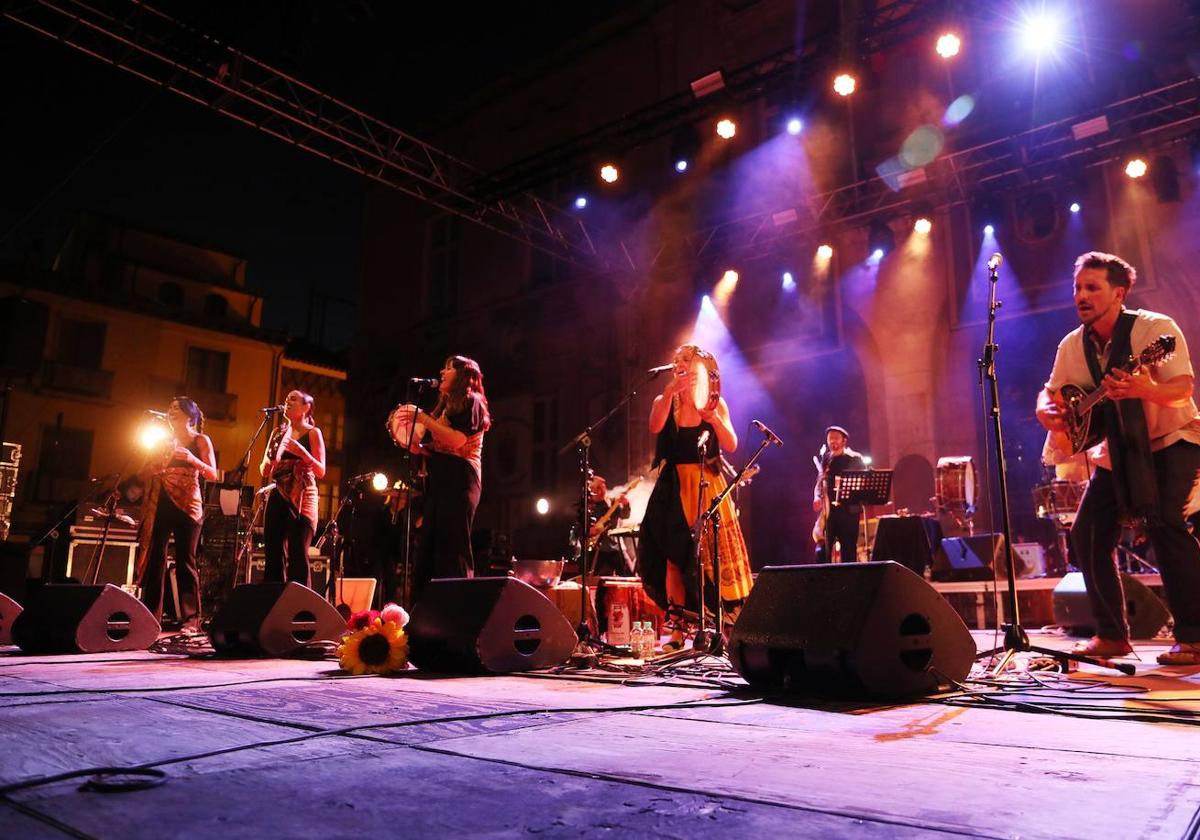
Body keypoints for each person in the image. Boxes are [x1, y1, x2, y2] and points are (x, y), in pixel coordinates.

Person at [1036, 251, 1200, 666]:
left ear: (1119, 292)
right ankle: (1111, 635)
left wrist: (1145, 388)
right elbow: (1052, 391)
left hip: (1172, 438)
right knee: (1087, 532)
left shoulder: (1156, 329)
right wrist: (1045, 409)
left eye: (1093, 287)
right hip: (1119, 449)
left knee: (1165, 520)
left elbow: (1182, 387)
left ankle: (1195, 636)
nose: (1082, 296)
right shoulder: (1072, 345)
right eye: (1077, 288)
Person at [638, 344, 753, 651]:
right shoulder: (665, 400)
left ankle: (721, 628)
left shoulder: (715, 402)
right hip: (674, 486)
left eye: (687, 364)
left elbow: (730, 443)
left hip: (707, 484)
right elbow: (654, 425)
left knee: (712, 559)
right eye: (678, 363)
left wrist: (713, 418)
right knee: (674, 559)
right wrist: (669, 392)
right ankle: (676, 630)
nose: (681, 368)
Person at [393, 355, 491, 605]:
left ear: (463, 375)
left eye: (449, 368)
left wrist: (424, 420)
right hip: (440, 481)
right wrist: (417, 447)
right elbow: (437, 445)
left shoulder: (473, 401)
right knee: (428, 550)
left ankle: (457, 612)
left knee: (453, 546)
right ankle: (423, 615)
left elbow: (458, 440)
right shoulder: (445, 405)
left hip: (461, 479)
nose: (442, 371)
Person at [138, 397, 219, 631]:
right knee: (156, 558)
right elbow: (143, 473)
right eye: (170, 407)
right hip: (161, 501)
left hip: (188, 504)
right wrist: (152, 468)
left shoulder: (200, 440)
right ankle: (151, 616)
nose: (171, 411)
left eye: (177, 408)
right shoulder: (163, 442)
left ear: (189, 415)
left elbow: (213, 474)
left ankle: (191, 620)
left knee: (186, 560)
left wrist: (192, 459)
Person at [260, 390, 326, 586]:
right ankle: (274, 602)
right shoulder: (277, 432)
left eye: (294, 399)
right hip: (278, 492)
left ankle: (299, 606)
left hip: (303, 495)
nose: (288, 401)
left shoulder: (313, 432)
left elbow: (321, 470)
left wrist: (303, 453)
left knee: (298, 552)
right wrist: (270, 462)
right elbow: (264, 469)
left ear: (306, 407)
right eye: (287, 398)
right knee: (273, 551)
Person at [812, 426, 867, 563]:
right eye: (830, 438)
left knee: (848, 550)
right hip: (830, 512)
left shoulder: (855, 458)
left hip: (849, 511)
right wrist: (817, 497)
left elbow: (863, 482)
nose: (832, 442)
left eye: (836, 438)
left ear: (844, 441)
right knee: (823, 550)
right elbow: (820, 481)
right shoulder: (826, 459)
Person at [581, 473, 633, 577]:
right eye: (596, 488)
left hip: (616, 547)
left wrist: (626, 504)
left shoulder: (613, 502)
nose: (599, 491)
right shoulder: (587, 507)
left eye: (602, 487)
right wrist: (588, 530)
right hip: (597, 548)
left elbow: (625, 515)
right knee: (589, 577)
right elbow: (581, 526)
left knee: (629, 575)